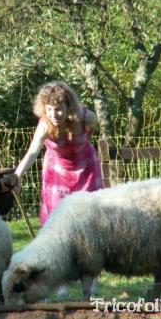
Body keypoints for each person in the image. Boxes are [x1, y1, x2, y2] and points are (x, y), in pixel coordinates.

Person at [14, 80, 103, 297]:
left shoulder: (86, 117)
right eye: (50, 109)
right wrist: (17, 176)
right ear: (44, 109)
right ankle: (60, 281)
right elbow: (33, 151)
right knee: (56, 228)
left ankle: (89, 282)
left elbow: (94, 130)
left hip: (86, 169)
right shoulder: (45, 125)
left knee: (88, 226)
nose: (55, 114)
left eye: (60, 108)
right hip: (57, 173)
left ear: (68, 106)